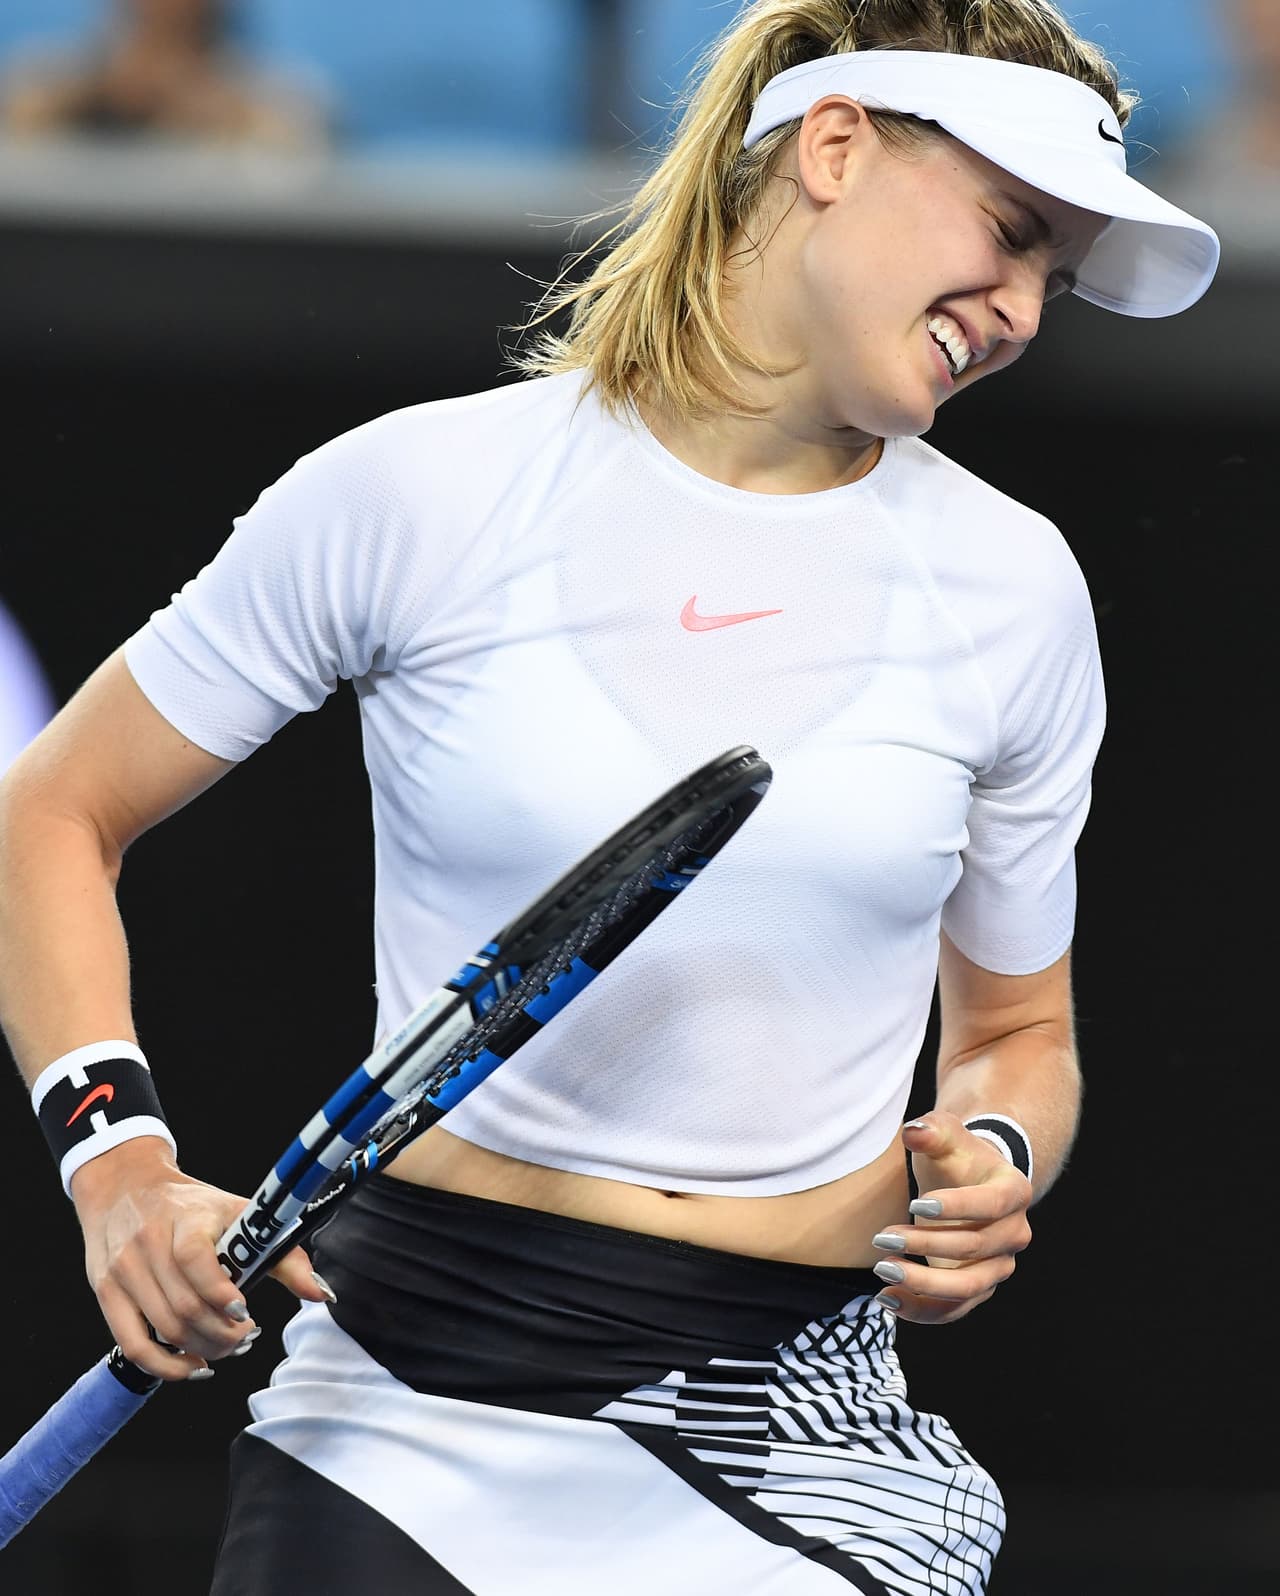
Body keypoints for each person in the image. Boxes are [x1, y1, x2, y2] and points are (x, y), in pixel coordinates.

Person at [0, 2, 1219, 1592]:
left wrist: (992, 1148)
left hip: (797, 1438)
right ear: (834, 148)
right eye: (1009, 231)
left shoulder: (1020, 592)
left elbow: (1019, 1040)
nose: (1020, 308)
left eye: (1051, 274)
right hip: (399, 1408)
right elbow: (53, 812)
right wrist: (120, 1165)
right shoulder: (418, 493)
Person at [0, 0, 327, 152]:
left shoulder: (277, 92)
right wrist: (96, 94)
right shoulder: (51, 71)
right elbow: (19, 122)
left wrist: (209, 107)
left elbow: (307, 153)